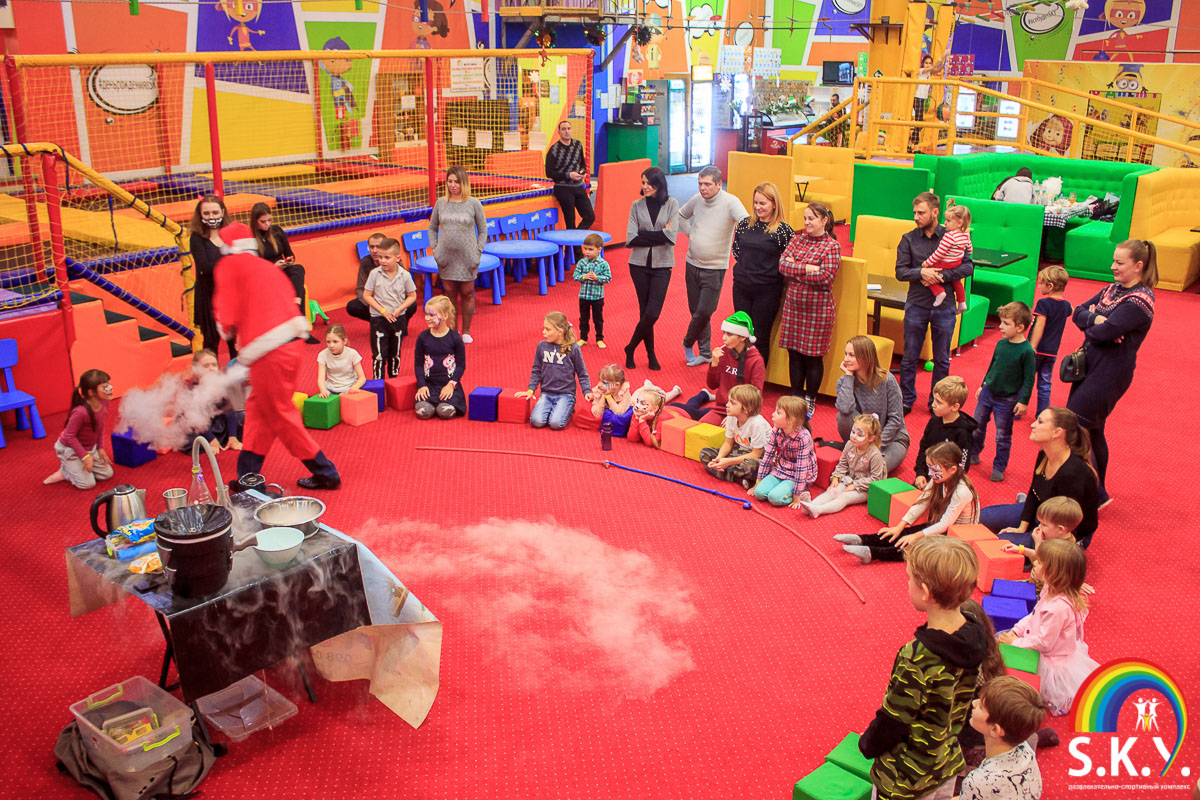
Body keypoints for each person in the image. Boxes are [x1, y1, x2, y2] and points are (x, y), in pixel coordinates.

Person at [211, 223, 340, 490]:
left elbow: (226, 313)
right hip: (289, 343)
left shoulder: (229, 266)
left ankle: (326, 471)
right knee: (259, 410)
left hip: (267, 349)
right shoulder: (265, 266)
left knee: (279, 412)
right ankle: (248, 477)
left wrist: (227, 329)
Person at [858, 536, 987, 800]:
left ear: (926, 592)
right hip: (946, 762)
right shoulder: (974, 631)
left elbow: (894, 719)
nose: (907, 584)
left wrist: (868, 743)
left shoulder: (917, 656)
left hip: (906, 775)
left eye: (909, 579)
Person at [1066, 238, 1157, 503]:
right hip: (1090, 364)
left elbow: (1103, 333)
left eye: (1119, 263)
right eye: (1114, 261)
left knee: (1076, 427)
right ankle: (1098, 494)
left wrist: (1096, 325)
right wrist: (1096, 319)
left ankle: (1084, 493)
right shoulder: (1112, 289)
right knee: (1093, 431)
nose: (1112, 267)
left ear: (1138, 266)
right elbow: (1077, 312)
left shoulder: (1139, 301)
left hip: (1110, 373)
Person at [998, 539, 1100, 716]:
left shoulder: (1057, 608)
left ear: (1054, 573)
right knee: (1001, 639)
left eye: (1039, 562)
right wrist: (1017, 630)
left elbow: (1044, 643)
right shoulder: (1049, 589)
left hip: (1048, 657)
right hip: (1034, 640)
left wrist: (1016, 642)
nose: (1034, 564)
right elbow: (1034, 615)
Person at [896, 191, 975, 414]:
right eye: (914, 212)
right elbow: (900, 272)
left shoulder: (954, 234)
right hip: (917, 304)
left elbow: (968, 266)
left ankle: (937, 402)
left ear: (935, 212)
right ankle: (906, 401)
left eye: (921, 213)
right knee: (909, 357)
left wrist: (940, 276)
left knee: (942, 360)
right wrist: (922, 272)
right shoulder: (908, 239)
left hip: (946, 306)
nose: (916, 217)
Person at [838, 442, 979, 564]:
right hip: (942, 525)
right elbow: (921, 503)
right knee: (905, 532)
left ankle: (872, 553)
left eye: (934, 469)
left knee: (914, 545)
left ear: (952, 469)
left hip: (955, 537)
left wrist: (915, 537)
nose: (930, 473)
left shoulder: (961, 492)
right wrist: (899, 526)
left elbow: (945, 524)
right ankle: (863, 539)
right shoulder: (938, 479)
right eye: (929, 468)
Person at [983, 407, 1100, 549]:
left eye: (1040, 422)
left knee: (994, 545)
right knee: (981, 518)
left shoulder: (1073, 474)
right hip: (1042, 514)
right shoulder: (1045, 453)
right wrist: (1021, 527)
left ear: (1057, 432)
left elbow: (1066, 526)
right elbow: (1034, 492)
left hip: (1061, 534)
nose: (1033, 425)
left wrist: (1034, 540)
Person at [676, 166, 750, 366]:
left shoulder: (731, 202)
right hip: (692, 263)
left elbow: (746, 223)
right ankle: (705, 353)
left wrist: (739, 245)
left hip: (715, 267)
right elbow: (681, 215)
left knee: (704, 311)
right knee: (696, 311)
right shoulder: (697, 199)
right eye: (700, 183)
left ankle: (687, 342)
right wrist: (690, 234)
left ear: (719, 184)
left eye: (707, 184)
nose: (702, 188)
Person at [779, 201, 840, 411]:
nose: (806, 222)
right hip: (793, 307)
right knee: (794, 354)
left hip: (818, 310)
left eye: (811, 219)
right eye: (805, 218)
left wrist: (796, 271)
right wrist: (808, 268)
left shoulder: (832, 246)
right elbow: (783, 266)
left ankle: (810, 399)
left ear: (824, 221)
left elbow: (825, 278)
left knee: (813, 357)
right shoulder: (796, 240)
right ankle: (796, 397)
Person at [972, 302, 1036, 482]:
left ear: (1020, 327)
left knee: (1002, 435)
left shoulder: (1027, 351)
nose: (1000, 326)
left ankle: (999, 465)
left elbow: (1029, 379)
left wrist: (1024, 401)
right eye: (1001, 322)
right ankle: (974, 451)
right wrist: (983, 384)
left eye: (1006, 323)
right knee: (977, 425)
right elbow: (992, 366)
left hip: (1007, 400)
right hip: (988, 392)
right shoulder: (1001, 344)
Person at [730, 182, 793, 367]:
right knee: (741, 333)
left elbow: (787, 260)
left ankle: (756, 378)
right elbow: (736, 251)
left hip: (767, 291)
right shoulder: (744, 224)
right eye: (756, 203)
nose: (758, 207)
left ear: (774, 204)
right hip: (741, 286)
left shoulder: (783, 230)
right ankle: (741, 375)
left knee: (759, 336)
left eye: (762, 203)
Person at [624, 166, 679, 371]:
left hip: (663, 266)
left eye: (649, 183)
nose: (645, 186)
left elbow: (671, 237)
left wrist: (645, 234)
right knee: (644, 312)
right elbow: (631, 238)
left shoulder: (672, 204)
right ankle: (650, 354)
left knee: (653, 313)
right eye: (643, 183)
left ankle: (630, 347)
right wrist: (660, 235)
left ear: (659, 184)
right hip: (638, 265)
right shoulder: (636, 205)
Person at [959, 677, 1046, 800]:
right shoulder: (1026, 749)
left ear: (995, 730)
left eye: (981, 706)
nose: (974, 703)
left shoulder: (976, 782)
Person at [671, 311, 765, 424]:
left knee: (729, 433)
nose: (724, 338)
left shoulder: (756, 361)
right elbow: (712, 385)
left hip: (744, 413)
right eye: (724, 333)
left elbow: (755, 397)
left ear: (742, 337)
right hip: (721, 409)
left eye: (729, 335)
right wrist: (714, 364)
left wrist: (735, 417)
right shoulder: (723, 353)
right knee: (700, 430)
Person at [428, 166, 487, 343]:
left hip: (468, 257)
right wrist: (436, 249)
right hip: (446, 257)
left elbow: (483, 230)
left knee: (467, 293)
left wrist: (478, 251)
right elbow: (432, 228)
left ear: (464, 183)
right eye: (450, 181)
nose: (453, 185)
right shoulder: (441, 203)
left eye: (457, 182)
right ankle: (452, 331)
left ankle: (466, 331)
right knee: (449, 294)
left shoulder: (474, 203)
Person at [834, 336, 909, 472]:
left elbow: (896, 419)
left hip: (891, 439)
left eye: (851, 355)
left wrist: (874, 447)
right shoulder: (844, 381)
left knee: (875, 470)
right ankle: (855, 449)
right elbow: (845, 409)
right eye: (846, 354)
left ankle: (857, 454)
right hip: (861, 438)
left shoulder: (887, 380)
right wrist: (849, 377)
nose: (846, 359)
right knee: (843, 416)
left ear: (865, 357)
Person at [249, 202, 319, 344]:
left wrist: (289, 260)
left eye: (269, 220)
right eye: (263, 222)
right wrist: (272, 267)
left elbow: (290, 254)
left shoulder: (276, 231)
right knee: (297, 285)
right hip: (264, 275)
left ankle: (296, 306)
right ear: (255, 222)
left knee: (298, 269)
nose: (267, 224)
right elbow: (253, 266)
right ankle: (300, 328)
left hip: (282, 270)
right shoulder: (251, 239)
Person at [797, 414, 886, 519]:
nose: (854, 436)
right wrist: (836, 477)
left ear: (871, 438)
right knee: (833, 491)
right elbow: (842, 464)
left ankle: (818, 510)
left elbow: (876, 479)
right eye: (853, 432)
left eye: (860, 434)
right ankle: (810, 505)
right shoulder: (850, 444)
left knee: (844, 497)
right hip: (849, 479)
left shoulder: (875, 455)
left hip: (865, 488)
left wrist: (855, 485)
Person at [517, 311, 591, 431]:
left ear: (560, 332)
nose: (543, 332)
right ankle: (556, 408)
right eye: (544, 328)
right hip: (546, 393)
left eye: (548, 329)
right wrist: (531, 390)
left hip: (565, 394)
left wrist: (586, 391)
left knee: (555, 424)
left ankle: (568, 407)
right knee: (536, 421)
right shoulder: (542, 346)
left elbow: (582, 373)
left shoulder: (573, 348)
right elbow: (536, 370)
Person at [44, 369, 114, 490]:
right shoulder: (80, 412)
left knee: (107, 474)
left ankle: (78, 468)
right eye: (104, 386)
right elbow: (69, 436)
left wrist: (100, 447)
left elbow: (100, 427)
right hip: (69, 449)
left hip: (89, 448)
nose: (110, 388)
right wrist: (84, 457)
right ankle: (65, 472)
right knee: (87, 484)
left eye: (109, 384)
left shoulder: (104, 403)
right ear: (91, 392)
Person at [362, 237, 418, 380]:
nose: (383, 261)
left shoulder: (405, 275)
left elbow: (412, 296)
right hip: (379, 319)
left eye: (387, 257)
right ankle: (378, 383)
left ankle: (394, 381)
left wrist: (400, 309)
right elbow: (367, 295)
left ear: (397, 258)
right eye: (380, 257)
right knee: (379, 354)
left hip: (398, 318)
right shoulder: (374, 274)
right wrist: (383, 311)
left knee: (395, 353)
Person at [188, 194, 236, 360]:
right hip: (209, 295)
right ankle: (209, 372)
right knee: (211, 341)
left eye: (215, 213)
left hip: (230, 294)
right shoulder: (197, 237)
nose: (211, 217)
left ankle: (238, 371)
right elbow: (204, 266)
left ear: (222, 212)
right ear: (200, 215)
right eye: (206, 213)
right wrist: (230, 263)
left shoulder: (230, 235)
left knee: (234, 340)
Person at [748, 395, 817, 508]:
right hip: (781, 469)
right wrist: (758, 482)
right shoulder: (776, 430)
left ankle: (801, 492)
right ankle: (781, 488)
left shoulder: (803, 437)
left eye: (778, 412)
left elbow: (801, 468)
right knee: (759, 493)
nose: (773, 414)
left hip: (797, 475)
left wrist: (796, 496)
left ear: (791, 419)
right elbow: (767, 457)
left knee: (774, 498)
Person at [698, 384, 770, 487]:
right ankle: (738, 478)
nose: (727, 405)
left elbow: (757, 454)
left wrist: (728, 462)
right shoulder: (731, 417)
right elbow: (728, 443)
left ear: (746, 408)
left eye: (732, 403)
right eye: (728, 401)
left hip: (758, 456)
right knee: (705, 453)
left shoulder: (757, 424)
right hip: (739, 451)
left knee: (751, 466)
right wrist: (719, 458)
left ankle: (728, 474)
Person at [914, 376, 976, 490]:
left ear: (954, 407)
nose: (933, 404)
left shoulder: (963, 433)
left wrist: (941, 484)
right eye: (934, 399)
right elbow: (924, 447)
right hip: (927, 476)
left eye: (939, 402)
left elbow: (962, 467)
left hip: (946, 483)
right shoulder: (934, 420)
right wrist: (920, 473)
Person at [413, 295, 466, 420]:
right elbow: (418, 364)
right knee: (423, 411)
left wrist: (451, 385)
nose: (427, 318)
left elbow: (461, 365)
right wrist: (422, 385)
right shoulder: (422, 337)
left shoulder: (455, 338)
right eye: (426, 314)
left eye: (432, 315)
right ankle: (431, 404)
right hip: (429, 385)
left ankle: (443, 404)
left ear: (445, 316)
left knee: (444, 412)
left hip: (448, 385)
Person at [1029, 266, 1072, 416]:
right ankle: (1041, 413)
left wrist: (1032, 345)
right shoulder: (1066, 305)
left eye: (1041, 283)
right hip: (1052, 351)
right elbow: (1071, 310)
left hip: (1038, 349)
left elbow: (1039, 325)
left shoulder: (1043, 303)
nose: (1039, 286)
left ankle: (1017, 409)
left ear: (1050, 286)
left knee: (1026, 380)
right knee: (1045, 383)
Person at [544, 120, 595, 244]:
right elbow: (549, 173)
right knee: (570, 222)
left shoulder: (578, 145)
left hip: (578, 186)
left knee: (590, 217)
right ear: (559, 132)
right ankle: (575, 251)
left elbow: (582, 163)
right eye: (563, 129)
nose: (566, 131)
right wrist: (568, 175)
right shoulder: (554, 150)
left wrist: (582, 172)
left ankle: (575, 241)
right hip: (563, 188)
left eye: (568, 128)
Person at [187, 349, 242, 452]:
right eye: (206, 366)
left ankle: (228, 439)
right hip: (199, 428)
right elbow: (198, 421)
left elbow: (229, 410)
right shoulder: (193, 390)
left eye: (214, 365)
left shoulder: (220, 385)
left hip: (217, 423)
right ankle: (212, 439)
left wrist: (232, 437)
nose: (211, 369)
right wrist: (212, 440)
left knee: (241, 417)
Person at [1002, 496, 1084, 564]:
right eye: (1040, 523)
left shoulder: (1063, 552)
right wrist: (1021, 549)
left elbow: (1039, 564)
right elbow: (1036, 554)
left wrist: (1038, 543)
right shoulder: (1056, 536)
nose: (1039, 526)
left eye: (1044, 524)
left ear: (1060, 529)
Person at [924, 204, 972, 312]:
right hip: (957, 262)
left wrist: (928, 263)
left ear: (959, 223)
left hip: (946, 263)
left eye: (948, 221)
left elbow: (939, 253)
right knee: (957, 282)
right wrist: (964, 253)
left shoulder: (949, 236)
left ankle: (939, 292)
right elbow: (969, 249)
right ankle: (962, 302)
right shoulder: (966, 235)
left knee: (928, 272)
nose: (945, 223)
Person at [574, 233, 612, 348]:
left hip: (597, 297)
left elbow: (608, 278)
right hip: (584, 296)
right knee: (583, 319)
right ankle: (583, 338)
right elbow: (575, 276)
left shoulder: (603, 264)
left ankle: (599, 338)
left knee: (598, 319)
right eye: (585, 248)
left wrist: (597, 278)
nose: (587, 252)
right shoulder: (582, 262)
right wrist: (583, 277)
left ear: (599, 249)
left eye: (590, 249)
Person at [627, 382, 684, 448]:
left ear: (654, 409)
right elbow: (632, 438)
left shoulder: (662, 419)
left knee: (692, 403)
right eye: (637, 401)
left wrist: (642, 420)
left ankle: (676, 391)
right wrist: (637, 418)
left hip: (684, 411)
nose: (637, 406)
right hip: (669, 408)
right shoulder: (640, 412)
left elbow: (652, 442)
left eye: (643, 403)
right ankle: (675, 391)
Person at [316, 324, 366, 398]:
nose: (331, 345)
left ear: (344, 341)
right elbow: (321, 378)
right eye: (328, 342)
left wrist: (355, 387)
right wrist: (323, 390)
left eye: (335, 341)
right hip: (330, 389)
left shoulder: (352, 353)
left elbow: (362, 378)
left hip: (349, 388)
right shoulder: (323, 355)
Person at [347, 232, 386, 321]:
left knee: (411, 304)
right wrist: (374, 306)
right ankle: (377, 322)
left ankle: (400, 324)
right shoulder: (365, 262)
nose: (374, 250)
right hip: (374, 300)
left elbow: (403, 287)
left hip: (393, 299)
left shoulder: (394, 260)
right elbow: (360, 289)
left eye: (378, 246)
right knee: (352, 306)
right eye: (371, 247)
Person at [588, 363, 633, 436]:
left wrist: (608, 396)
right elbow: (596, 413)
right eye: (599, 380)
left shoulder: (624, 391)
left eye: (604, 382)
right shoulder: (601, 388)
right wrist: (604, 396)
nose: (599, 384)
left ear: (617, 385)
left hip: (620, 412)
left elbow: (619, 412)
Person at [908, 54, 942, 150]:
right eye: (926, 63)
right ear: (923, 64)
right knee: (919, 121)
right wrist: (942, 56)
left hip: (923, 98)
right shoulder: (921, 71)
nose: (928, 65)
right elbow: (934, 67)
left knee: (920, 123)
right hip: (917, 97)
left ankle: (911, 141)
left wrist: (944, 59)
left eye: (929, 63)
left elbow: (939, 69)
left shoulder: (929, 74)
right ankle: (915, 146)